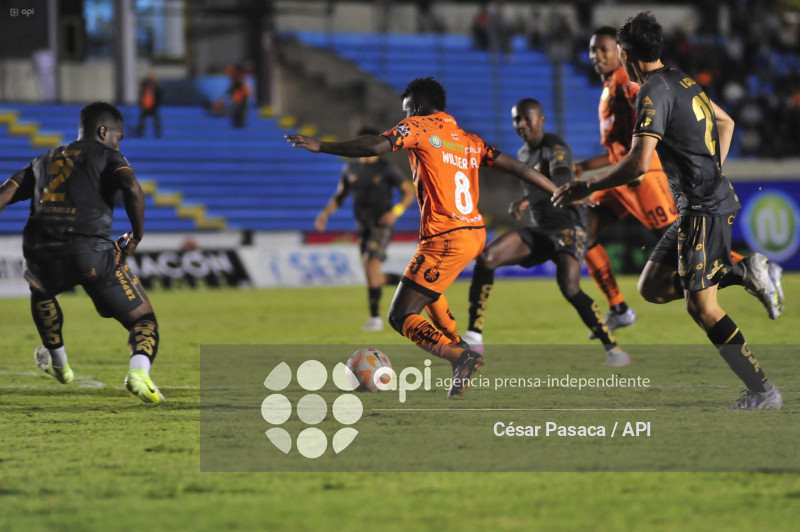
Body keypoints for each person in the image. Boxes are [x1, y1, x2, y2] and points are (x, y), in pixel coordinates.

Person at [553, 12, 782, 409]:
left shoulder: (651, 92)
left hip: (701, 208)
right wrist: (711, 169)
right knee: (653, 288)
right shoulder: (684, 80)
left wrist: (586, 186)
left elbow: (639, 162)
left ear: (625, 54)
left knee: (702, 306)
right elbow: (725, 124)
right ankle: (742, 270)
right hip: (703, 202)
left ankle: (763, 391)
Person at [287, 77, 570, 397]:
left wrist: (322, 146)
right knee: (428, 290)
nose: (404, 118)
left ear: (418, 108)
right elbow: (520, 168)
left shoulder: (419, 127)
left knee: (401, 314)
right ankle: (461, 347)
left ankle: (461, 357)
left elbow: (376, 145)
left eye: (407, 111)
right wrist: (559, 190)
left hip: (446, 236)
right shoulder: (469, 139)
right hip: (473, 232)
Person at [0, 102, 164, 404]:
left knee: (40, 288)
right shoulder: (108, 156)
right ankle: (139, 373)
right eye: (118, 136)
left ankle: (60, 366)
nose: (118, 142)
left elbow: (4, 194)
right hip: (91, 252)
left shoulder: (42, 160)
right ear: (103, 131)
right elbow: (131, 186)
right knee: (144, 321)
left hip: (40, 256)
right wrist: (136, 235)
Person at [462, 99, 629, 367]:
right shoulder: (524, 154)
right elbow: (543, 186)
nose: (522, 124)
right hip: (542, 228)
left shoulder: (555, 147)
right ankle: (474, 335)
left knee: (570, 288)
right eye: (517, 119)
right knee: (487, 258)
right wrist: (526, 202)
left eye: (527, 118)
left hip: (569, 227)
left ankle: (614, 350)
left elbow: (561, 179)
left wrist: (566, 188)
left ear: (542, 120)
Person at [314, 126, 415, 332]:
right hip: (362, 225)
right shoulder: (351, 169)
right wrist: (325, 214)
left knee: (371, 265)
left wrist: (395, 212)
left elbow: (408, 192)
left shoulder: (386, 167)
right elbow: (340, 196)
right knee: (374, 276)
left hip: (382, 224)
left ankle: (376, 319)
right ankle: (413, 286)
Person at [136, 72, 162, 138]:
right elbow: (142, 95)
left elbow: (159, 95)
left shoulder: (156, 87)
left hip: (153, 106)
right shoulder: (145, 86)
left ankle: (158, 133)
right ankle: (140, 132)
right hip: (145, 106)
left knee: (156, 120)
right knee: (142, 119)